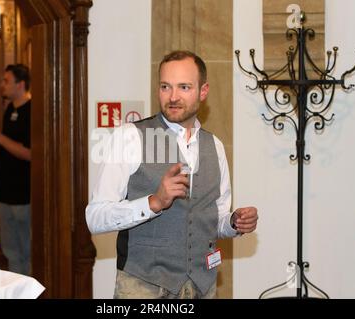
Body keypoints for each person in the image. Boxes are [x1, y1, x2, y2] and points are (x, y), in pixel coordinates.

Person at [86, 50, 258, 299]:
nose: (173, 97)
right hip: (143, 287)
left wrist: (233, 222)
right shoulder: (130, 137)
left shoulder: (215, 146)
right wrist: (153, 203)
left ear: (203, 91)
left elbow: (215, 219)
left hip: (202, 286)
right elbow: (95, 217)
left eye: (184, 87)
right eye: (165, 86)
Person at [0, 64, 32, 275]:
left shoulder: (32, 111)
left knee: (27, 252)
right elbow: (11, 147)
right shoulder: (9, 109)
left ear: (20, 85)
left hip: (23, 194)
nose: (2, 85)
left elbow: (30, 154)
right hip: (5, 192)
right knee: (11, 252)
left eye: (6, 81)